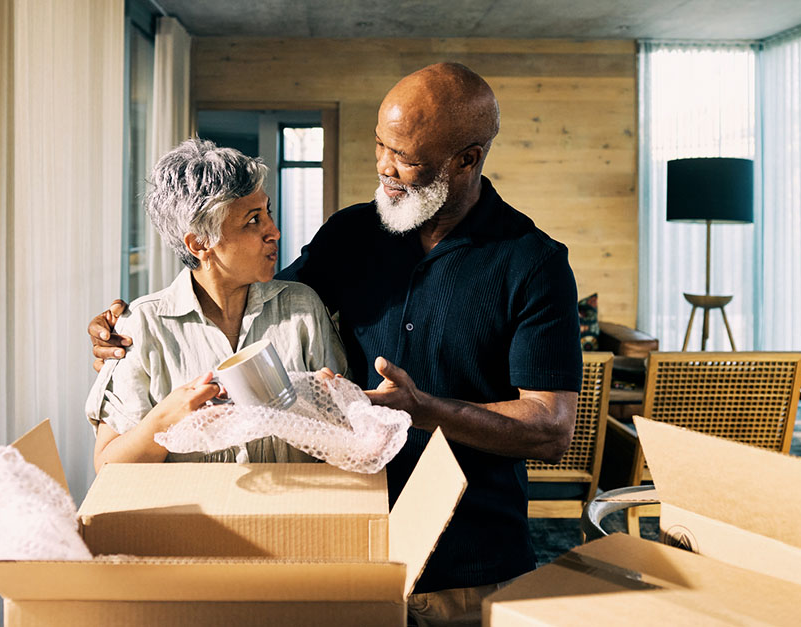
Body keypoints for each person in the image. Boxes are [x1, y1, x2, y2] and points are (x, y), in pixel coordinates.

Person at [90, 63, 581, 626]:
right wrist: (120, 327)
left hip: (470, 560)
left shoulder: (533, 263)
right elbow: (251, 296)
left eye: (406, 158)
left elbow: (550, 429)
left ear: (466, 159)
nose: (384, 167)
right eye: (380, 145)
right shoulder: (352, 234)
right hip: (345, 550)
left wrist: (424, 411)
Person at [86, 138, 347, 472]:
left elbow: (345, 442)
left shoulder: (302, 309)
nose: (274, 232)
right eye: (253, 220)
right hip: (191, 523)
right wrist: (163, 419)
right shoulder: (143, 325)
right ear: (200, 243)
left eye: (267, 212)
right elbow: (107, 466)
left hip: (292, 518)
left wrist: (331, 412)